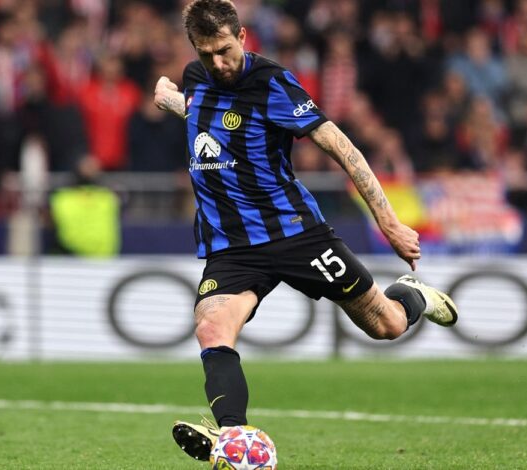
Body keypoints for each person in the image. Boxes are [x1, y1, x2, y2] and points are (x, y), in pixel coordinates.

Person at [153, 0, 458, 462]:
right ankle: (234, 438)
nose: (218, 63)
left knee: (387, 325)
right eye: (206, 53)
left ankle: (411, 295)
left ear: (242, 37)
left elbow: (341, 146)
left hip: (295, 234)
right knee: (211, 327)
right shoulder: (197, 77)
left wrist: (389, 221)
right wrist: (173, 100)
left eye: (225, 51)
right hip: (232, 246)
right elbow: (207, 115)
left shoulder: (273, 82)